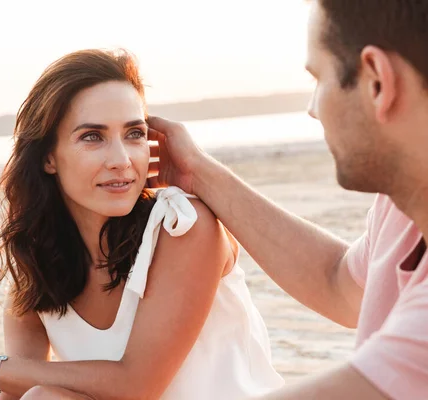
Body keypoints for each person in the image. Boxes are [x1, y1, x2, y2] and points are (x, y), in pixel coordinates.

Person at [0, 49, 284, 400]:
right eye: (92, 137)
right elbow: (15, 386)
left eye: (134, 134)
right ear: (49, 157)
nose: (121, 160)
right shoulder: (38, 264)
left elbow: (137, 386)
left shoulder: (184, 226)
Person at [146, 1, 428, 399]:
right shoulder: (401, 208)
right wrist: (197, 174)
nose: (313, 109)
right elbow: (339, 283)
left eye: (319, 78)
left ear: (377, 82)